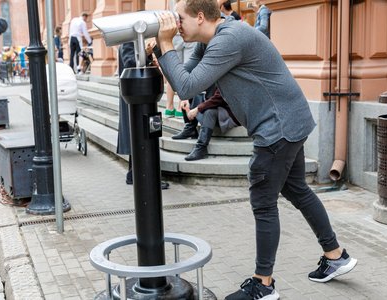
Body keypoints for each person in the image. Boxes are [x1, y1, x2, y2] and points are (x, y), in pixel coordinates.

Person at [154, 2, 357, 299]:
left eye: (179, 19)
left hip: (278, 129)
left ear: (200, 17)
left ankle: (263, 285)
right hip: (290, 121)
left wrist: (164, 41)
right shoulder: (213, 38)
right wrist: (161, 50)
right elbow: (182, 76)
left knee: (263, 204)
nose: (176, 24)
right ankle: (336, 255)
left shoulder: (229, 38)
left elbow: (185, 87)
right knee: (298, 189)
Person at [117, 41, 169, 190]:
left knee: (142, 135)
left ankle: (134, 174)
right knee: (141, 135)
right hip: (137, 96)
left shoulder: (135, 41)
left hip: (144, 94)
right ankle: (141, 176)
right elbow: (130, 63)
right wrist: (146, 54)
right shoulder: (127, 42)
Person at [182, 88, 239, 161]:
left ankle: (201, 147)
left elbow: (218, 98)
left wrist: (197, 109)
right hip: (218, 107)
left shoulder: (228, 77)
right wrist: (186, 98)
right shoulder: (211, 76)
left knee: (209, 112)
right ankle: (190, 128)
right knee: (195, 95)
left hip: (231, 113)